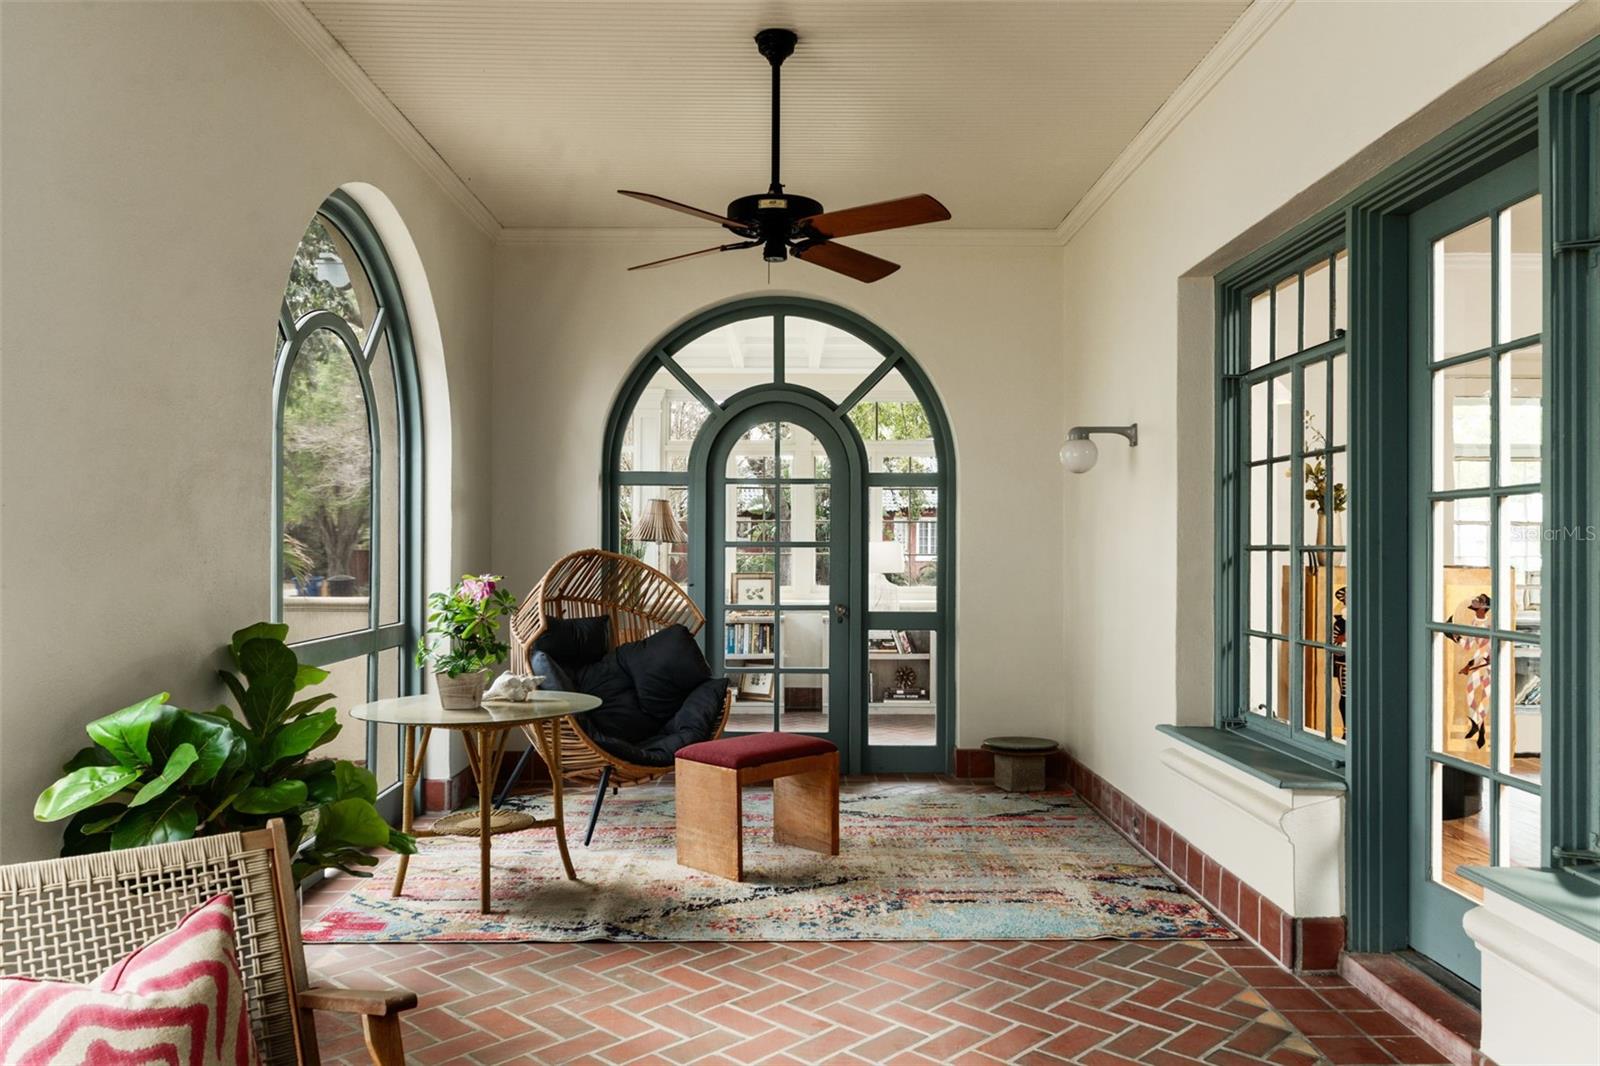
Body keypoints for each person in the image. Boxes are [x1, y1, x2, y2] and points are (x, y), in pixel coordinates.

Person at [1445, 593, 1492, 750]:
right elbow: (1469, 645)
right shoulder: (1474, 623)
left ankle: (1479, 728)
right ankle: (1477, 724)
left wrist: (1470, 664)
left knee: (1484, 698)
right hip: (1479, 663)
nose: (1475, 602)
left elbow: (1486, 650)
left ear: (1484, 607)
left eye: (1479, 601)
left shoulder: (1489, 625)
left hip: (1488, 665)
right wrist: (1456, 638)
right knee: (1470, 692)